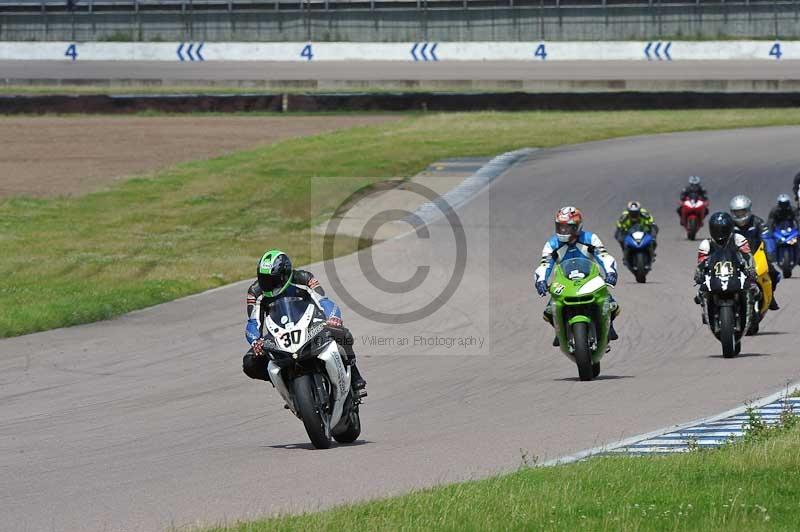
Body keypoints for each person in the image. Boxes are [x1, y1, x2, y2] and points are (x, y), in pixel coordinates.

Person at [242, 249, 367, 395]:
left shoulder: (304, 278)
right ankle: (286, 382)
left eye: (272, 280)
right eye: (263, 279)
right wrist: (255, 340)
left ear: (285, 274)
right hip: (278, 333)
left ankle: (354, 374)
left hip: (310, 324)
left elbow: (323, 301)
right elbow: (253, 321)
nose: (267, 284)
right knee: (249, 363)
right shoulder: (255, 291)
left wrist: (333, 318)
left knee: (343, 334)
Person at [534, 206, 620, 346]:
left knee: (612, 305)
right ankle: (559, 330)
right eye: (560, 227)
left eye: (567, 227)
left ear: (577, 227)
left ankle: (608, 326)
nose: (563, 231)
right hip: (563, 280)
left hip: (591, 278)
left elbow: (604, 256)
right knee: (549, 312)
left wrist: (610, 272)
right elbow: (545, 264)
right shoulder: (551, 244)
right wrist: (541, 281)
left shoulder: (590, 238)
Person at [693, 212, 757, 321]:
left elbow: (747, 255)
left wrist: (750, 268)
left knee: (755, 289)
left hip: (737, 272)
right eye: (716, 229)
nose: (720, 233)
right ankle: (708, 311)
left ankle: (752, 312)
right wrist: (699, 273)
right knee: (700, 294)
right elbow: (701, 263)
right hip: (715, 275)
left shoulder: (738, 238)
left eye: (723, 229)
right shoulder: (706, 244)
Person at [729, 195, 780, 310]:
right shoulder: (729, 224)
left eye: (742, 212)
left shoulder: (758, 222)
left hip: (756, 257)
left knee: (774, 274)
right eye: (737, 213)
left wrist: (771, 253)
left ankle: (770, 295)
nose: (740, 216)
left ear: (748, 210)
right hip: (733, 257)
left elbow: (767, 237)